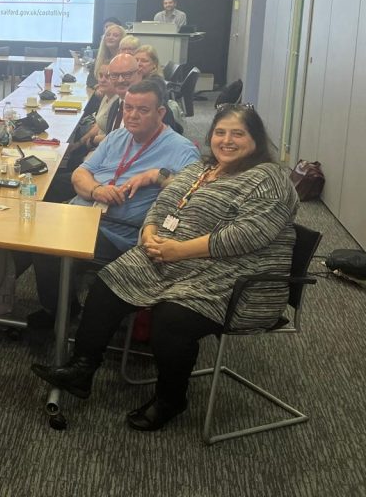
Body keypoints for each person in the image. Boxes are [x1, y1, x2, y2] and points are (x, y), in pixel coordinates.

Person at [32, 105, 298, 432]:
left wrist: (179, 249)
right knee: (110, 281)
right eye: (220, 132)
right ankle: (82, 369)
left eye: (237, 134)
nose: (227, 141)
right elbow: (163, 204)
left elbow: (247, 235)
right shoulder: (203, 169)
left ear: (255, 139)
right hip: (175, 263)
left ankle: (171, 399)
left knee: (172, 318)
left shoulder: (268, 178)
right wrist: (149, 233)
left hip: (236, 279)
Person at [28, 79, 201, 326]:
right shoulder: (118, 137)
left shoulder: (181, 149)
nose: (132, 115)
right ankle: (3, 302)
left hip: (120, 231)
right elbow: (80, 175)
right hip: (83, 215)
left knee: (45, 244)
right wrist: (97, 190)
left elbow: (193, 198)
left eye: (142, 110)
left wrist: (156, 175)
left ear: (160, 112)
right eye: (128, 108)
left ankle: (61, 315)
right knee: (24, 229)